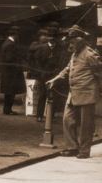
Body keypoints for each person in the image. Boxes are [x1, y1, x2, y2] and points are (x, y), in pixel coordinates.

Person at [46, 25, 102, 159]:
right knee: (67, 119)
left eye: (72, 41)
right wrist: (55, 79)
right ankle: (72, 147)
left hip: (87, 93)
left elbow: (99, 73)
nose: (69, 44)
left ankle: (84, 151)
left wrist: (98, 89)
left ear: (80, 40)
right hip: (74, 93)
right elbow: (67, 69)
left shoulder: (90, 54)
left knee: (85, 124)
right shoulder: (75, 53)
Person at [34, 28, 61, 122]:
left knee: (53, 95)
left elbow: (60, 60)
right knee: (43, 95)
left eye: (54, 38)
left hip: (54, 74)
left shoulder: (58, 48)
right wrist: (41, 71)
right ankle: (39, 115)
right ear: (49, 38)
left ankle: (50, 116)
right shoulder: (42, 48)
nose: (53, 40)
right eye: (51, 38)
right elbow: (37, 60)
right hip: (44, 74)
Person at [0, 26, 26, 115]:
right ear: (15, 34)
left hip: (8, 73)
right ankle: (7, 110)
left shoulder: (7, 43)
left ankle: (7, 109)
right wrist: (18, 63)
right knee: (10, 92)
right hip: (11, 73)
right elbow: (9, 59)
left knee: (9, 93)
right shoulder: (11, 44)